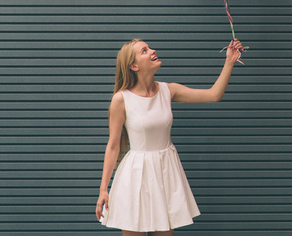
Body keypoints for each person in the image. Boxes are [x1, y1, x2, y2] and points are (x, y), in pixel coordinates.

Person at [96, 38, 245, 235]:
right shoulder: (121, 99)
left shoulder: (168, 90)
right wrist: (103, 189)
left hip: (165, 171)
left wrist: (229, 62)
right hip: (136, 175)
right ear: (134, 66)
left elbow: (214, 95)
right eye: (144, 51)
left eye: (149, 47)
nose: (152, 50)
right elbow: (113, 145)